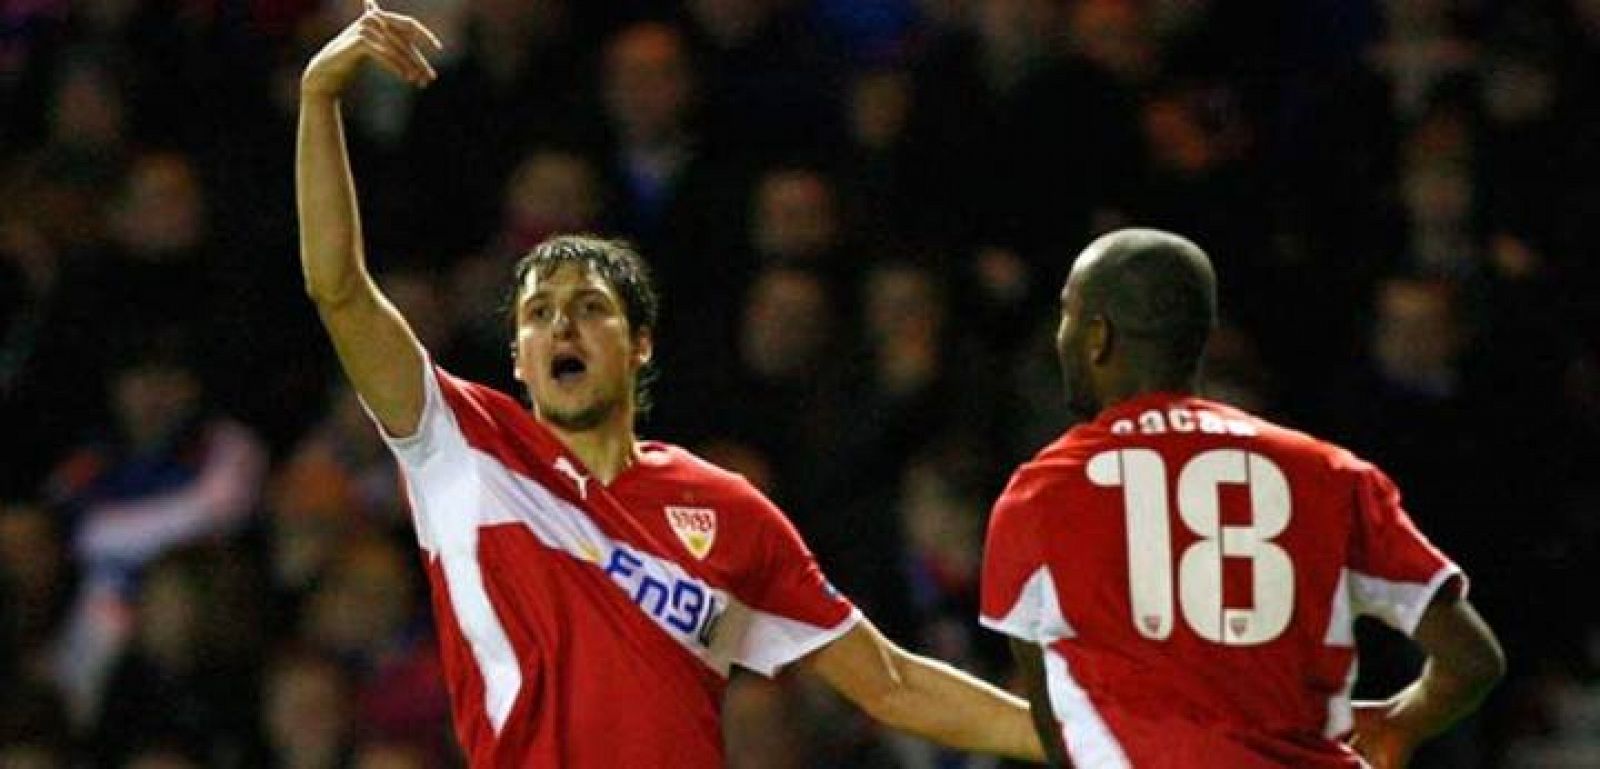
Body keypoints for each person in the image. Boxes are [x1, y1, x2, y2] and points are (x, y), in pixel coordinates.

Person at [296, 4, 1044, 767]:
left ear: (640, 346)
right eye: (540, 314)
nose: (562, 327)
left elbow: (889, 682)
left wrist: (1075, 741)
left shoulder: (726, 511)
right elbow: (340, 290)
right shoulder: (460, 447)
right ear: (518, 359)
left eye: (591, 308)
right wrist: (319, 101)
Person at [980, 228, 1505, 769]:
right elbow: (1474, 660)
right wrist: (1403, 720)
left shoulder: (1041, 494)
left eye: (1066, 313)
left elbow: (1060, 729)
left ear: (1097, 336)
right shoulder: (1329, 474)